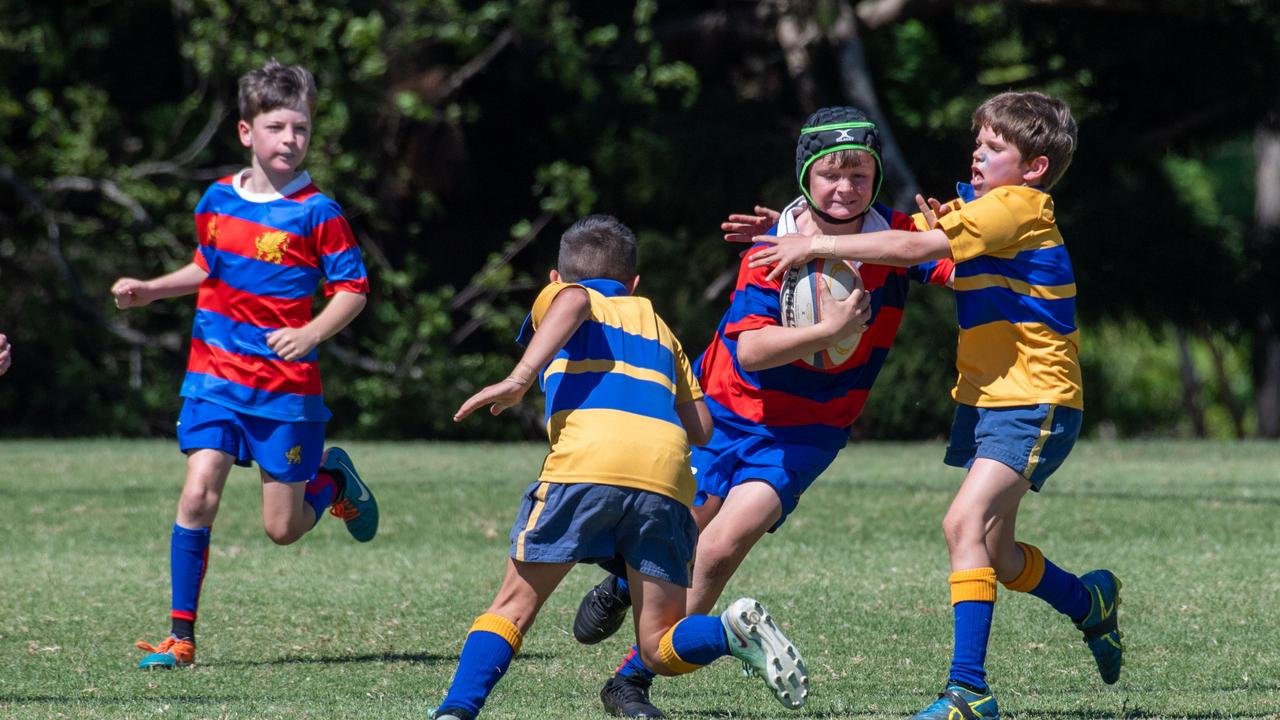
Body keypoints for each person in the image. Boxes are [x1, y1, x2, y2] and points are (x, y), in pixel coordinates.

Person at [745, 91, 1121, 720]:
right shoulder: (982, 206)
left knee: (960, 526)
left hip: (1035, 397)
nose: (978, 153)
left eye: (994, 147)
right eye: (977, 142)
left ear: (1032, 168)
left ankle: (968, 693)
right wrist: (795, 228)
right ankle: (1090, 605)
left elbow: (914, 250)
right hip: (992, 399)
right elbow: (903, 234)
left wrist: (819, 249)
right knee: (996, 553)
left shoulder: (1016, 208)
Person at [570, 107, 953, 718]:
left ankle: (630, 680)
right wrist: (828, 331)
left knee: (721, 548)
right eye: (830, 174)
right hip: (721, 410)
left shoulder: (896, 238)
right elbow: (752, 349)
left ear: (877, 177)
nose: (845, 188)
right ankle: (622, 582)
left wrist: (971, 224)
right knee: (682, 530)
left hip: (804, 434)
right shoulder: (773, 249)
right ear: (805, 175)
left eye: (859, 174)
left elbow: (960, 269)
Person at [436, 215, 808, 720]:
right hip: (665, 482)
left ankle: (456, 711)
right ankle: (728, 631)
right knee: (658, 645)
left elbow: (574, 301)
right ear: (635, 284)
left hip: (587, 465)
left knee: (512, 608)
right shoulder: (661, 330)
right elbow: (701, 428)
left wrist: (521, 377)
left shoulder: (567, 295)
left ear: (554, 277)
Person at [111, 60, 378, 670]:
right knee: (197, 493)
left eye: (301, 128)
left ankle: (333, 479)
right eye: (277, 126)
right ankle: (181, 640)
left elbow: (354, 289)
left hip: (285, 393)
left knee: (281, 529)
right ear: (245, 133)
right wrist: (151, 290)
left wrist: (311, 332)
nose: (290, 139)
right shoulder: (216, 200)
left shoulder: (319, 213)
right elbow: (206, 267)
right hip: (213, 377)